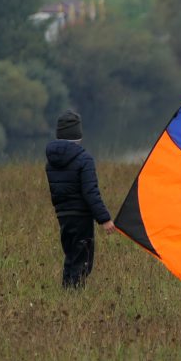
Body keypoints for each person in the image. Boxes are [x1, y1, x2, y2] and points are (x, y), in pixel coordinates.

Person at [45, 110, 116, 289]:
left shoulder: (51, 161)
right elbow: (90, 192)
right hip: (81, 217)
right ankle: (74, 296)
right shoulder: (84, 159)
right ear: (78, 134)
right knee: (83, 261)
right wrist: (105, 219)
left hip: (63, 216)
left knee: (71, 256)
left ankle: (67, 293)